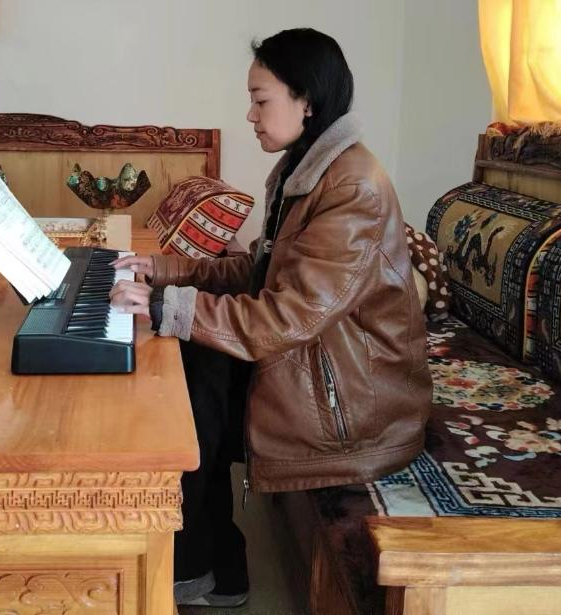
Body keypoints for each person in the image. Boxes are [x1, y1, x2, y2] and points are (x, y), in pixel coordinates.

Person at [109, 28, 432, 608]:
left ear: (306, 100)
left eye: (261, 100)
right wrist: (161, 272)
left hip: (358, 407)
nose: (250, 115)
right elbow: (257, 271)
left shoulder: (352, 186)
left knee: (190, 374)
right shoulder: (307, 170)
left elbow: (286, 317)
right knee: (193, 365)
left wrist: (164, 308)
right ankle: (211, 564)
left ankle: (198, 565)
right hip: (325, 366)